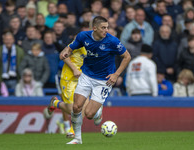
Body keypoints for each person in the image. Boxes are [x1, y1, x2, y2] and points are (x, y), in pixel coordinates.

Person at [47, 16, 131, 144]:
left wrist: (116, 74)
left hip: (104, 80)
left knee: (89, 114)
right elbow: (71, 48)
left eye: (107, 27)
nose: (106, 30)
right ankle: (77, 138)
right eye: (103, 28)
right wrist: (66, 51)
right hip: (86, 75)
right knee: (76, 107)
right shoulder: (83, 36)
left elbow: (127, 57)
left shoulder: (112, 41)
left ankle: (98, 110)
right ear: (94, 28)